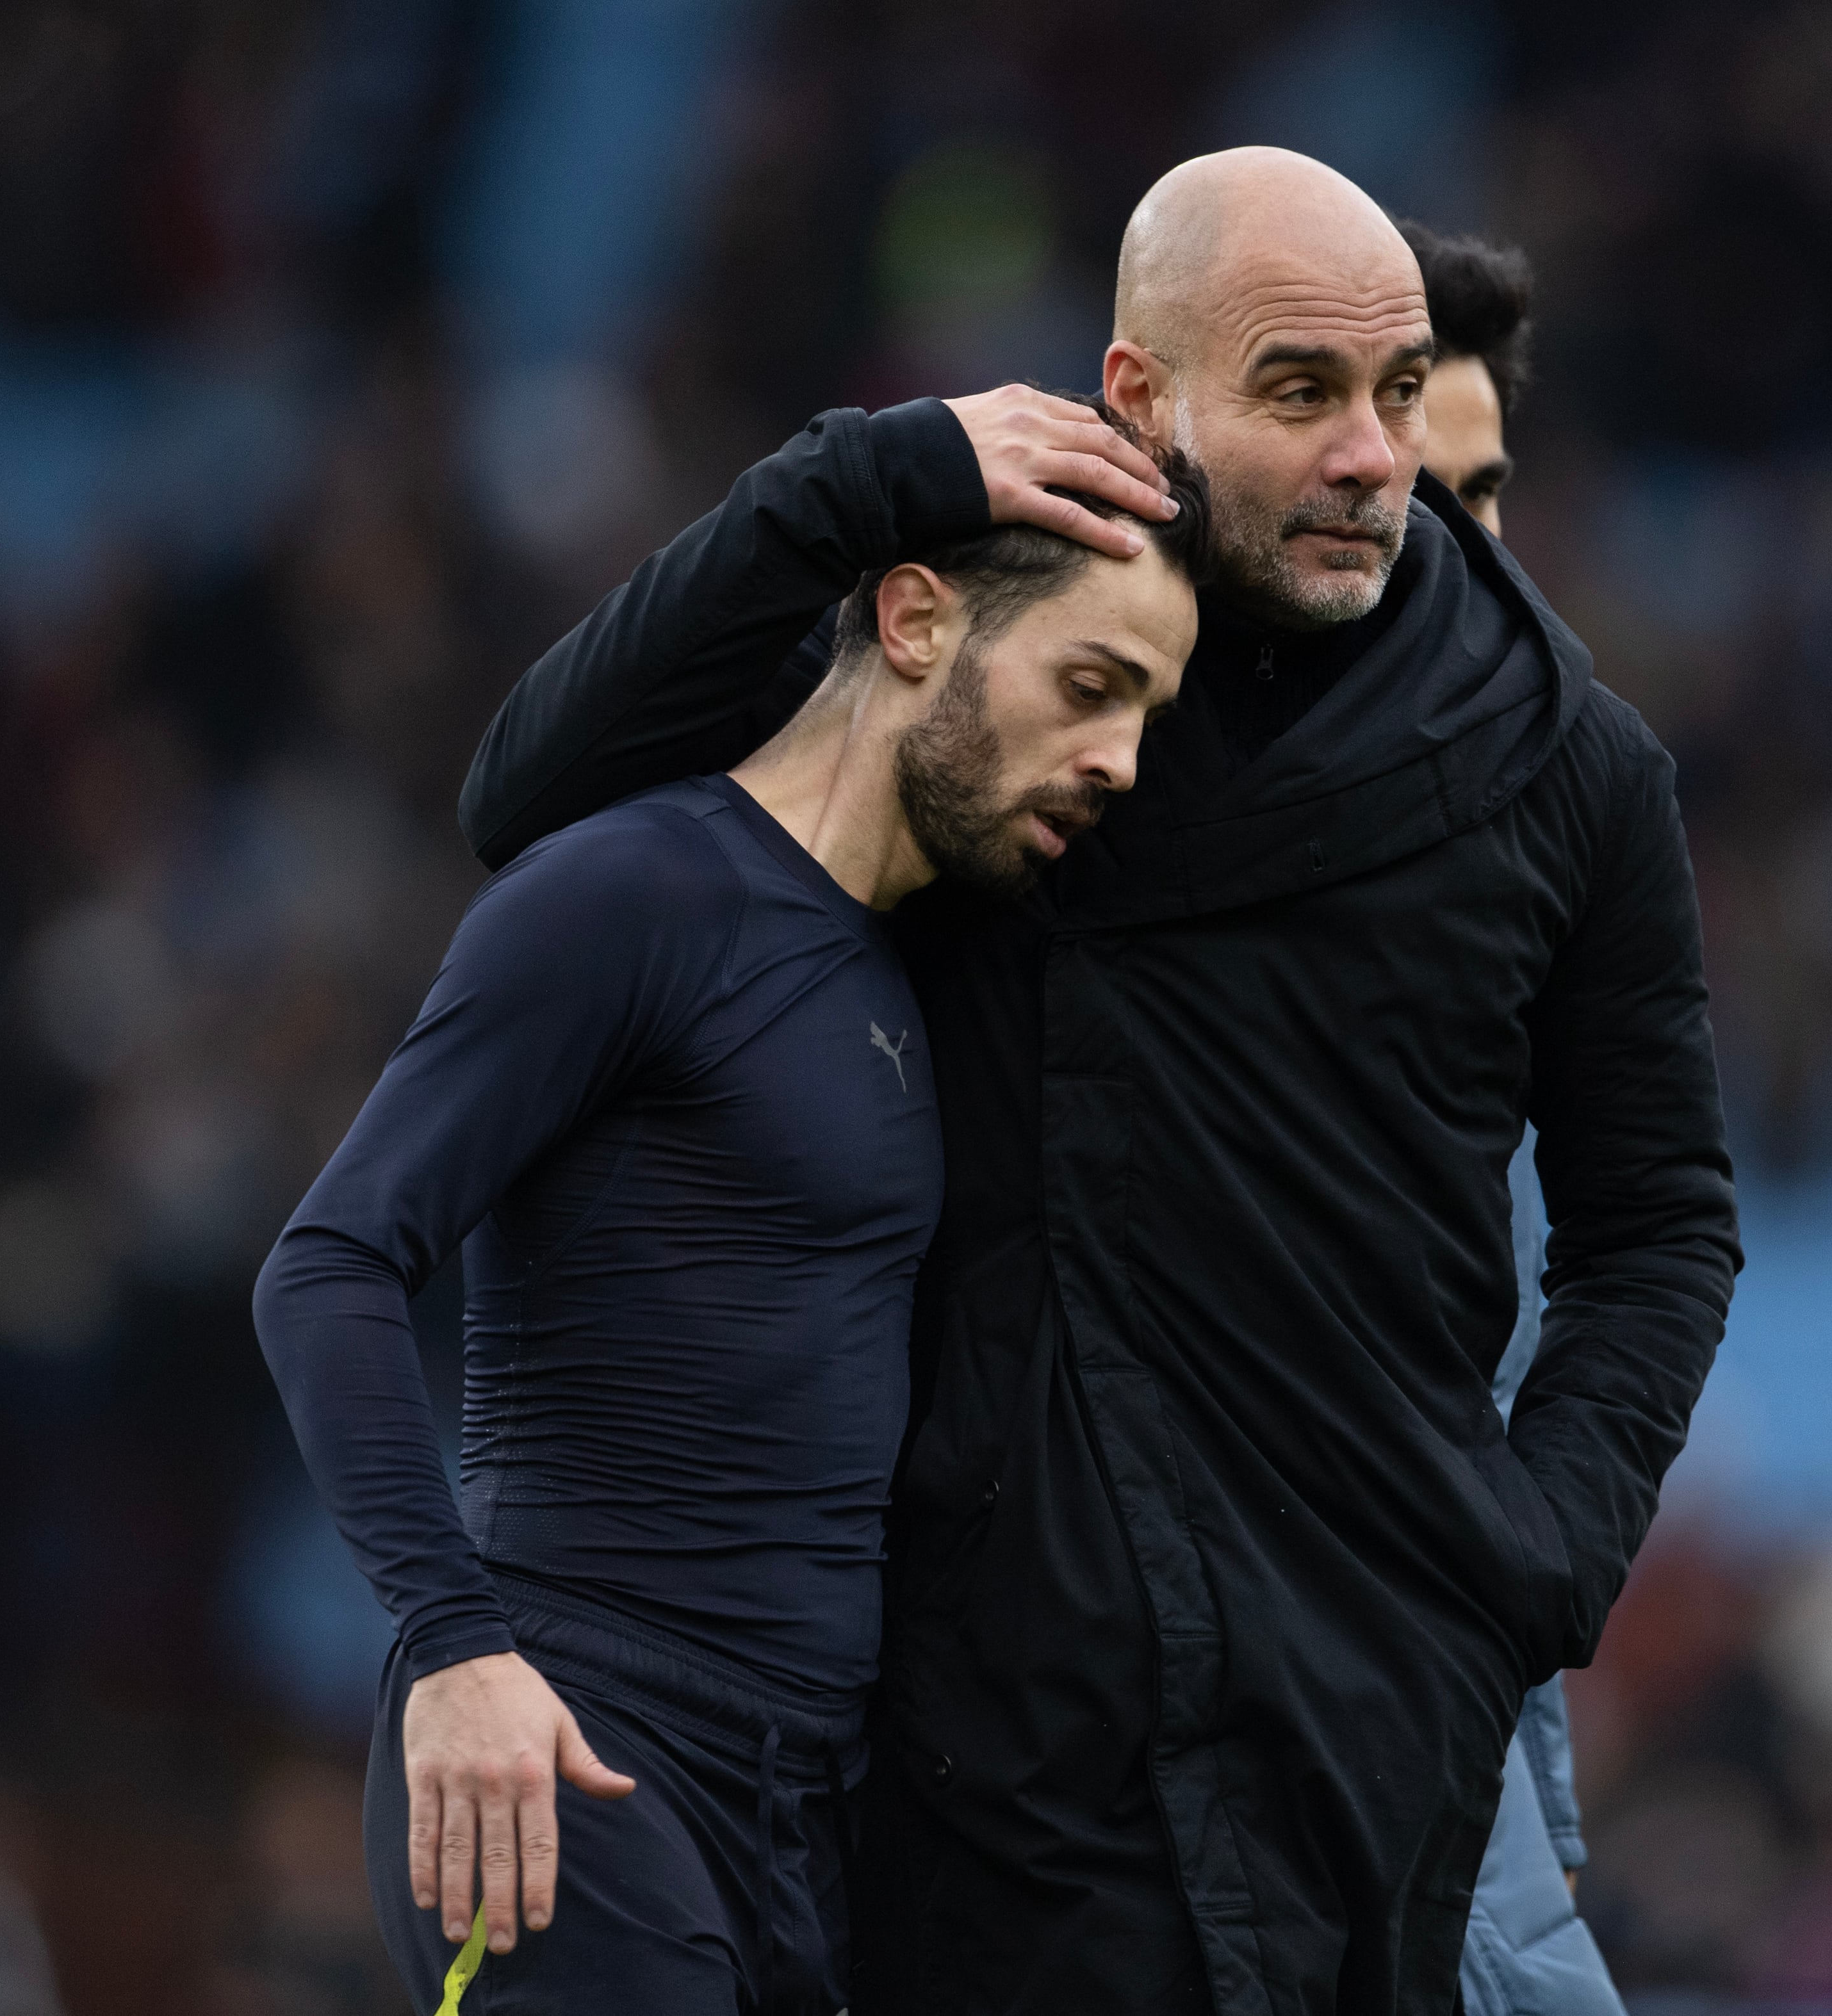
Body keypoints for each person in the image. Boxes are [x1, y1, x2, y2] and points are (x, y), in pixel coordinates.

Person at [459, 147, 1741, 2015]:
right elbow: (537, 808)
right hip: (988, 1723)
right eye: (1299, 392)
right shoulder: (1006, 654)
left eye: (1397, 395)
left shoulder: (1572, 765)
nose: (1372, 456)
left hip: (1370, 1704)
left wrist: (1535, 1557)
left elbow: (1663, 1222)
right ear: (1140, 397)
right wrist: (858, 479)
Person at [253, 407, 1208, 2015]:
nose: (1117, 758)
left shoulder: (909, 969)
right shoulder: (632, 890)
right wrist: (456, 1647)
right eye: (1091, 686)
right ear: (911, 621)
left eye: (1146, 717)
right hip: (572, 1749)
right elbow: (330, 1263)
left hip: (801, 1809)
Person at [1399, 217, 1630, 2016]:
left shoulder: (1535, 827)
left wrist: (1537, 1559)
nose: (1462, 555)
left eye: (1483, 495)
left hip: (1454, 1708)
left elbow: (1651, 1236)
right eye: (1411, 495)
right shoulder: (1088, 814)